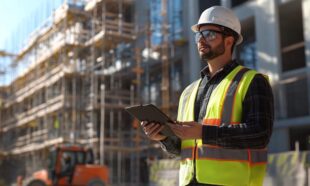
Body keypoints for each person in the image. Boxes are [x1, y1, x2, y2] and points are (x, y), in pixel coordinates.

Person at [142, 6, 274, 186]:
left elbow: (259, 134)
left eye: (210, 34)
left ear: (229, 41)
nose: (201, 40)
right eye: (199, 35)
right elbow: (184, 149)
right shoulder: (189, 92)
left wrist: (204, 132)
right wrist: (163, 138)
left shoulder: (251, 81)